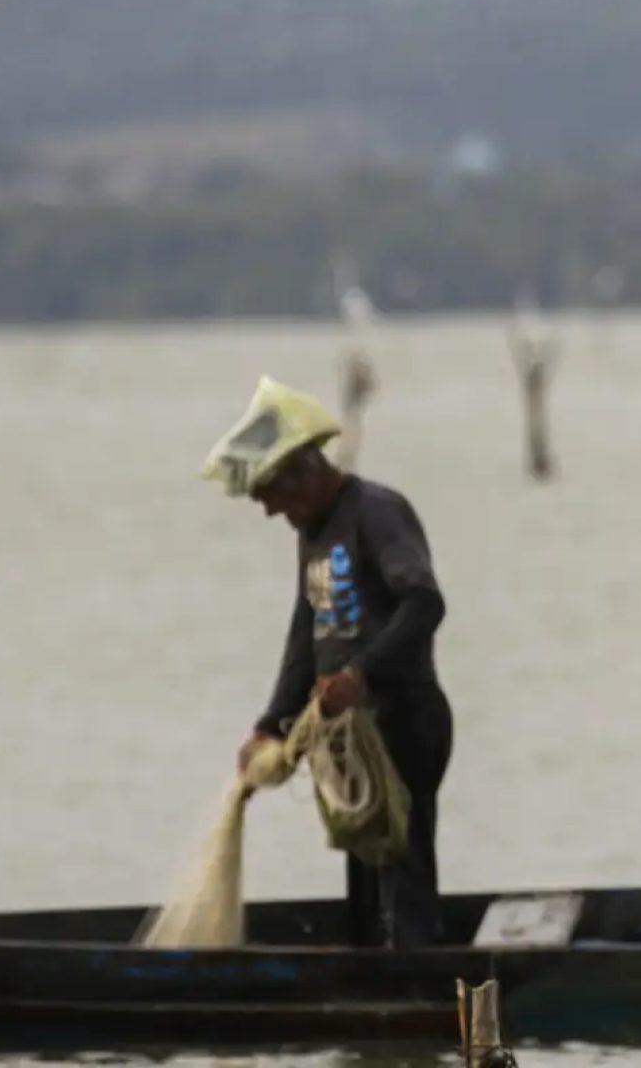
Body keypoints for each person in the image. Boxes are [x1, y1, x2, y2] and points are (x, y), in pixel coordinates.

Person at [201, 375, 454, 949]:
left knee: (403, 858)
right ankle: (368, 979)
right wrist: (271, 722)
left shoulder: (377, 513)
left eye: (273, 495)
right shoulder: (312, 532)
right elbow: (305, 633)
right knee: (363, 865)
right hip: (344, 733)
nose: (272, 512)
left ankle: (418, 985)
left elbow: (424, 604)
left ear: (303, 473)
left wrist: (361, 676)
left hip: (405, 718)